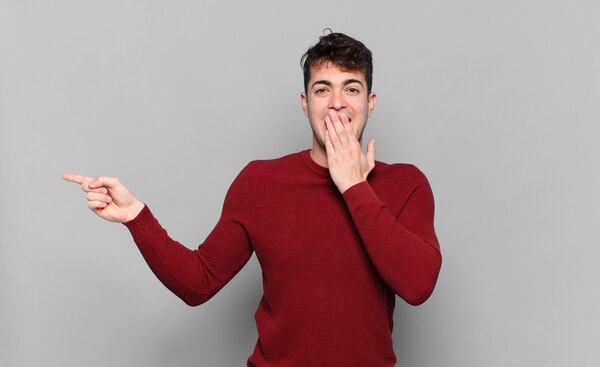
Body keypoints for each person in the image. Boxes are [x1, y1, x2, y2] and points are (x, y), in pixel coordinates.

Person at [63, 31, 442, 367]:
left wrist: (353, 186)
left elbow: (418, 285)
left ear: (370, 102)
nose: (337, 103)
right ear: (305, 102)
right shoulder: (260, 182)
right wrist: (136, 216)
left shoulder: (406, 184)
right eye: (323, 89)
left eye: (352, 88)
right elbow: (199, 282)